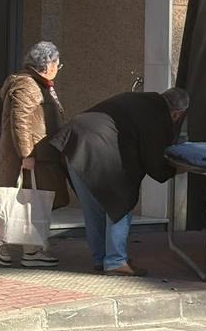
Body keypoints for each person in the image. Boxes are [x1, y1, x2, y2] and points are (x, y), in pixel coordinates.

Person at [50, 88, 189, 276]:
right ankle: (115, 261)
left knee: (93, 209)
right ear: (177, 114)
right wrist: (178, 169)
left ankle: (100, 258)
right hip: (98, 149)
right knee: (121, 203)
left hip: (73, 143)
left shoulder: (141, 99)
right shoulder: (157, 115)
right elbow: (154, 162)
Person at [0, 42, 70, 268]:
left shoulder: (36, 84)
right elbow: (19, 122)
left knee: (33, 203)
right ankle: (2, 245)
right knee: (22, 201)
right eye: (57, 64)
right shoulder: (28, 85)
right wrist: (27, 154)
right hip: (29, 157)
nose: (57, 68)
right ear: (48, 64)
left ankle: (32, 250)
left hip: (38, 156)